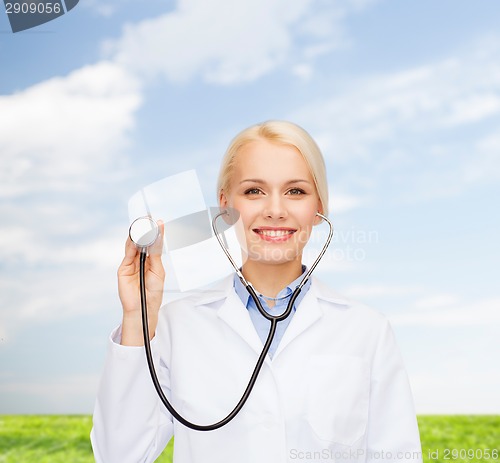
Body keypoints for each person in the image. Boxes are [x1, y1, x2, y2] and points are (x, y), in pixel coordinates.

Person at [91, 121, 422, 463]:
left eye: (295, 191)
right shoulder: (175, 325)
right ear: (224, 205)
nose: (275, 210)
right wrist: (137, 319)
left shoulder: (367, 330)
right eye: (254, 191)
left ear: (319, 207)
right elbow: (119, 455)